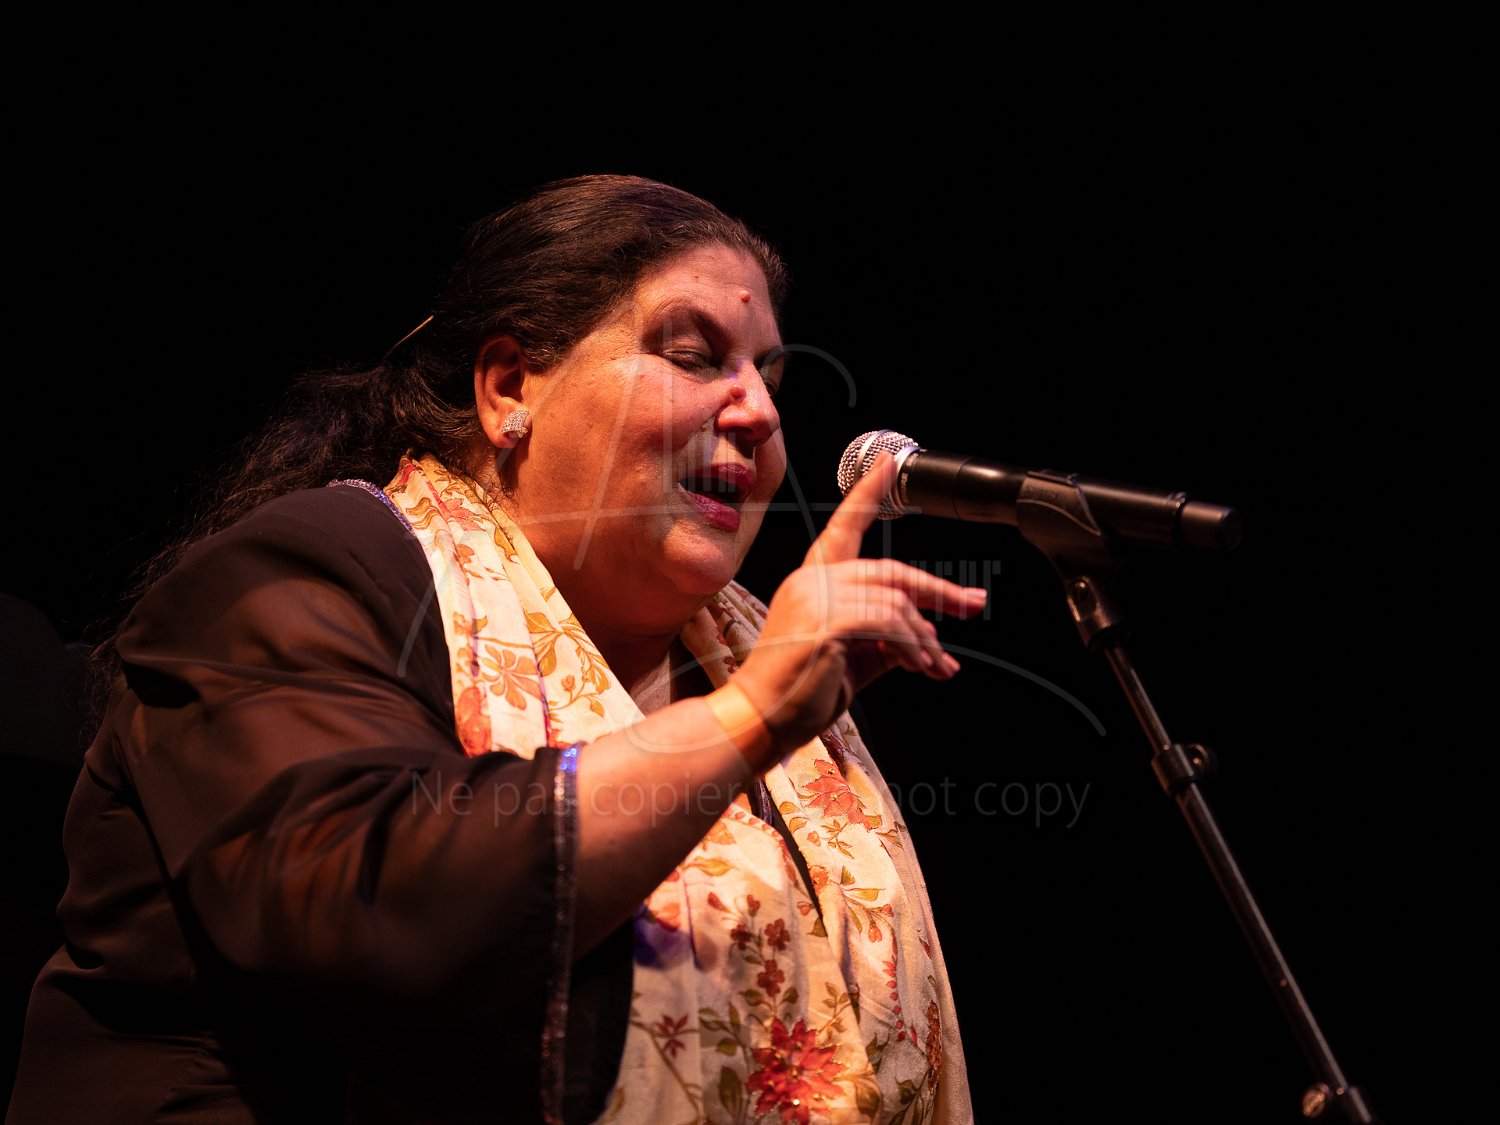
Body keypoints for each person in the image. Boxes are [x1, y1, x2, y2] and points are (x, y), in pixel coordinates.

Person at [6, 174, 983, 1124]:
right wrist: (749, 716)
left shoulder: (758, 659)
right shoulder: (301, 577)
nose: (761, 413)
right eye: (693, 356)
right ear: (511, 386)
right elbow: (373, 912)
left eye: (767, 377)